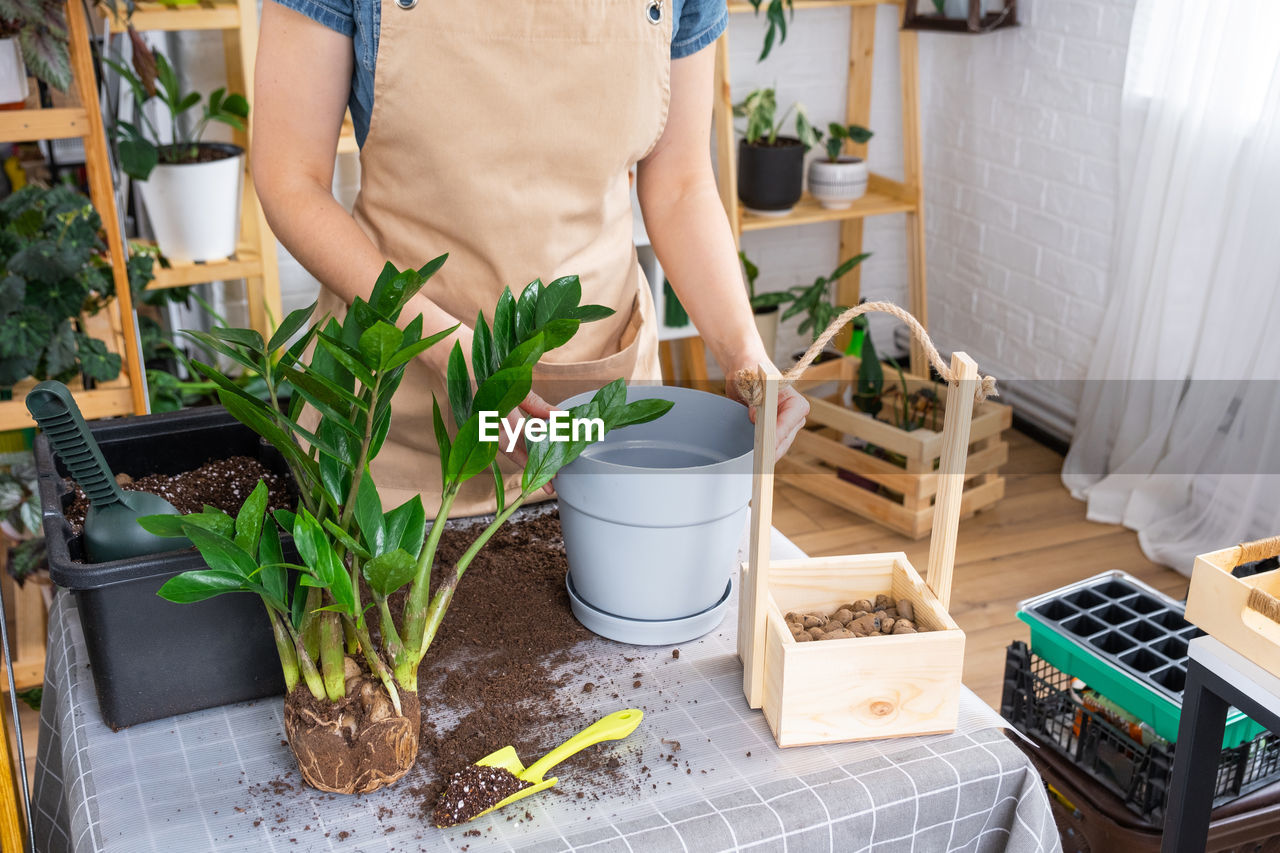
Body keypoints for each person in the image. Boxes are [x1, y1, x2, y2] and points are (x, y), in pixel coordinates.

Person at [252, 0, 809, 516]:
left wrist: (744, 352)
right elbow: (290, 179)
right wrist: (443, 345)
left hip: (596, 417)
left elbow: (680, 185)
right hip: (396, 413)